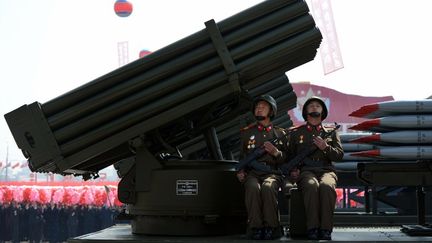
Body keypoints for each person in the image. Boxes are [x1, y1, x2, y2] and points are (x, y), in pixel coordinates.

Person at [286, 96, 343, 240]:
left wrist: (326, 147)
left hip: (327, 170)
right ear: (305, 111)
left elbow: (339, 156)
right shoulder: (296, 133)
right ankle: (313, 228)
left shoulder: (331, 131)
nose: (314, 107)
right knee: (311, 186)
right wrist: (293, 170)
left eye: (318, 105)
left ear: (323, 111)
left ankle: (325, 229)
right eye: (311, 105)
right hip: (306, 171)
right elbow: (290, 157)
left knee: (326, 186)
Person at [236, 95, 289, 240]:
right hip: (253, 173)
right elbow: (242, 157)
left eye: (263, 107)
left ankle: (272, 226)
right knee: (252, 188)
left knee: (268, 187)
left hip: (272, 172)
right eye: (257, 107)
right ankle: (256, 227)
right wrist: (241, 171)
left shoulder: (280, 133)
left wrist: (275, 152)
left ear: (271, 111)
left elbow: (287, 160)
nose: (259, 109)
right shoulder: (247, 133)